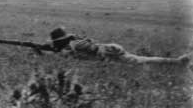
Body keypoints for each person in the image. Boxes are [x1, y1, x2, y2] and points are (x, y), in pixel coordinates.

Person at [48, 27, 190, 65]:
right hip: (109, 51)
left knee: (141, 61)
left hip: (109, 53)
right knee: (142, 59)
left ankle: (176, 62)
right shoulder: (72, 45)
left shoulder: (74, 45)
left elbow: (96, 50)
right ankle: (176, 61)